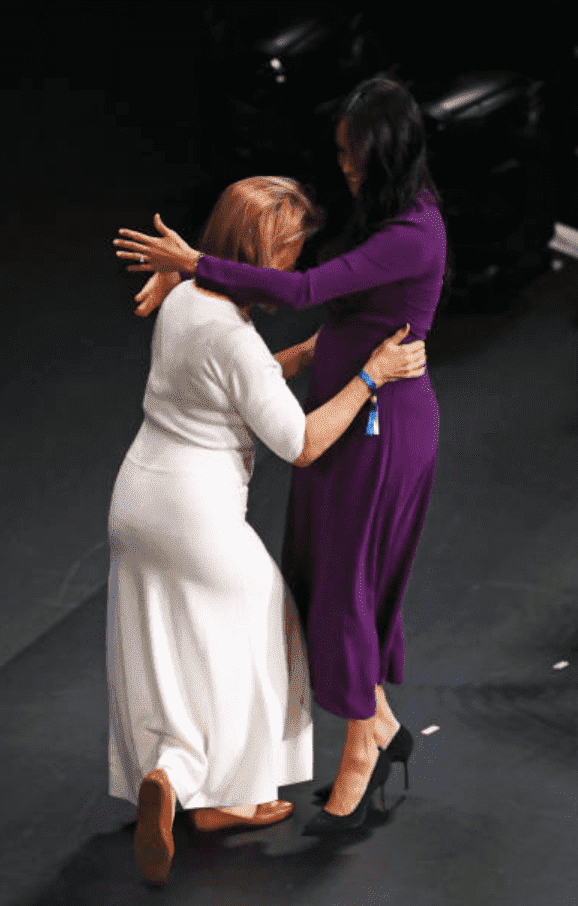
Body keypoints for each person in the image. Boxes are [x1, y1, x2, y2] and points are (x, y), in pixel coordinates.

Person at [113, 73, 449, 837]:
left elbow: (307, 289)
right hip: (350, 416)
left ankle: (363, 745)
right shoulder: (389, 209)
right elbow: (332, 308)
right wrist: (301, 356)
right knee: (321, 578)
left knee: (344, 588)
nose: (344, 168)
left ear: (384, 153)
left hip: (377, 429)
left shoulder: (410, 233)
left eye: (352, 154)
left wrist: (198, 262)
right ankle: (382, 727)